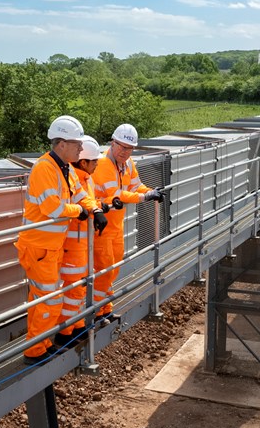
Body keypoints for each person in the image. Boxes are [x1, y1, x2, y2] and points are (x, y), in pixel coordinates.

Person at [16, 116, 106, 365]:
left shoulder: (65, 168)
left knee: (42, 298)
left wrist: (95, 209)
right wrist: (80, 212)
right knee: (50, 299)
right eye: (77, 144)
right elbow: (52, 208)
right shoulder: (45, 168)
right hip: (38, 246)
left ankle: (41, 344)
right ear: (62, 144)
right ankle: (34, 351)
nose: (81, 148)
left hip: (50, 247)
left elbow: (79, 195)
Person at [91, 123, 165, 324]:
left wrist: (151, 191)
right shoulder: (103, 164)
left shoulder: (128, 163)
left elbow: (136, 185)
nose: (125, 151)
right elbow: (116, 194)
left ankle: (106, 308)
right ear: (112, 143)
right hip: (101, 226)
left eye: (129, 148)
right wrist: (145, 197)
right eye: (121, 146)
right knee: (103, 270)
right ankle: (96, 313)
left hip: (116, 225)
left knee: (112, 269)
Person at [54, 135, 106, 346]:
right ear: (83, 162)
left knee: (80, 287)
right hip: (72, 243)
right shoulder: (73, 176)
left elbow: (86, 199)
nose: (96, 166)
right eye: (94, 162)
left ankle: (75, 326)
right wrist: (87, 210)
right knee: (73, 287)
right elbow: (68, 206)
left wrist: (97, 208)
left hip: (81, 242)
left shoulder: (83, 178)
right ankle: (65, 332)